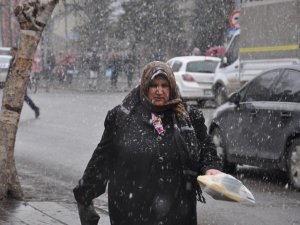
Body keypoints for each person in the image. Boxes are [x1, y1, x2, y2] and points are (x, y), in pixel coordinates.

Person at [73, 61, 222, 225]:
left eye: (164, 85)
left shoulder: (188, 117)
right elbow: (102, 160)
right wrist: (84, 194)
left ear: (172, 87)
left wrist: (211, 168)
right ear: (145, 87)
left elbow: (206, 150)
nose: (159, 91)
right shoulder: (122, 118)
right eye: (154, 85)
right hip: (131, 212)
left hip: (177, 211)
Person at [9, 47, 40, 118]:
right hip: (14, 82)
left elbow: (25, 71)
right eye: (11, 52)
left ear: (16, 52)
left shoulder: (20, 60)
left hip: (21, 82)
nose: (11, 53)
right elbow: (10, 72)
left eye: (13, 51)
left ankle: (35, 109)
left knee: (23, 98)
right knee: (17, 98)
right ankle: (13, 114)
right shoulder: (12, 60)